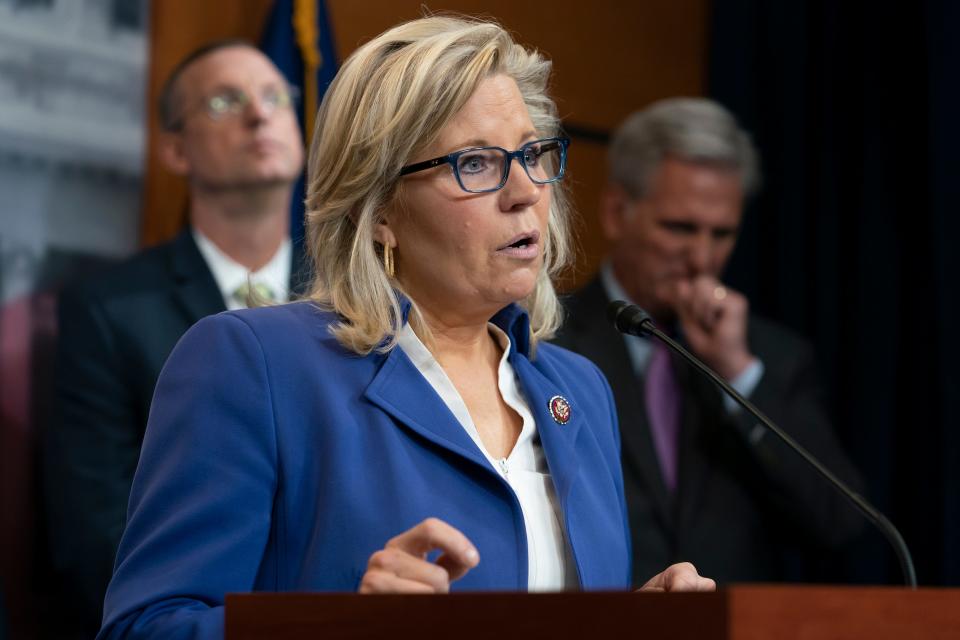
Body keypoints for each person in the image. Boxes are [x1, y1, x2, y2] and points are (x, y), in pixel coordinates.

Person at [97, 17, 714, 640]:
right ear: (380, 210)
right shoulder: (253, 363)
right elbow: (146, 628)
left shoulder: (578, 391)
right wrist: (345, 624)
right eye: (475, 163)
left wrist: (630, 619)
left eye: (531, 154)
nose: (525, 190)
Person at [44, 40, 307, 634]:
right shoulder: (110, 310)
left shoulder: (358, 296)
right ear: (175, 148)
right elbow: (95, 536)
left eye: (274, 98)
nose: (260, 115)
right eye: (225, 101)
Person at [554, 98, 864, 586]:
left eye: (722, 234)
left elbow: (838, 521)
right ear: (617, 212)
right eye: (680, 228)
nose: (702, 258)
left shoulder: (773, 357)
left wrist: (738, 372)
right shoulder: (547, 339)